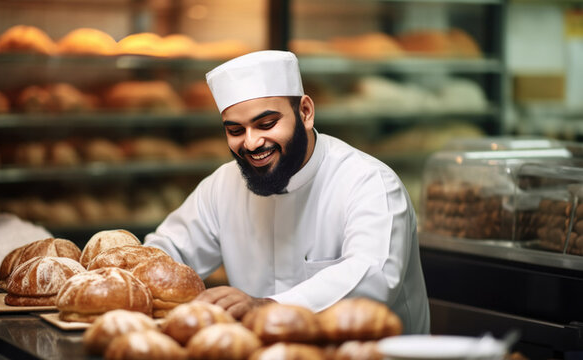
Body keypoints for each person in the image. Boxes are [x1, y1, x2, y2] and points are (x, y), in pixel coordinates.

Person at [143, 50, 430, 334]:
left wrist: (267, 306)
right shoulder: (222, 186)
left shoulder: (368, 182)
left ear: (305, 112)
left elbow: (373, 278)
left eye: (266, 124)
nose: (252, 143)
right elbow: (165, 253)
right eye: (235, 130)